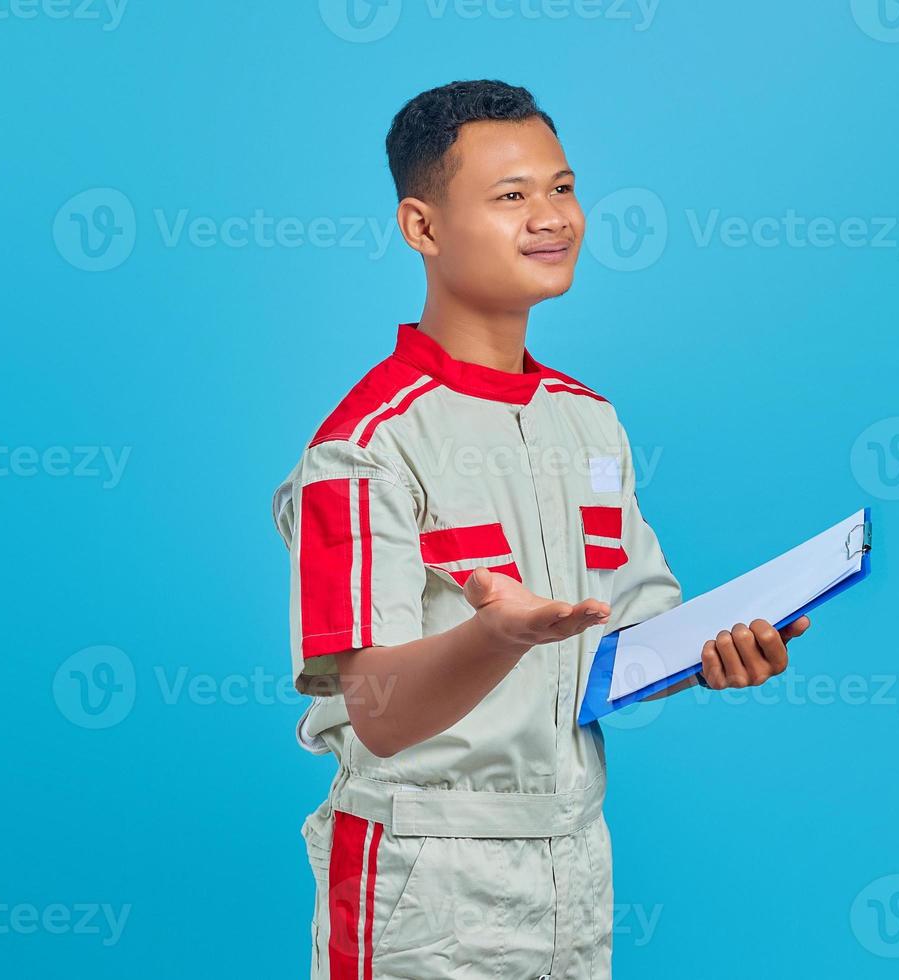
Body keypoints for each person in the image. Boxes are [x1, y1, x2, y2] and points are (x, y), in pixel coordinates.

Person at [271, 79, 812, 979]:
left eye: (560, 187)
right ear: (424, 227)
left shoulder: (588, 422)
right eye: (511, 196)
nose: (551, 217)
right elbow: (375, 716)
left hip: (574, 856)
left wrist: (715, 653)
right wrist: (492, 639)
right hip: (421, 876)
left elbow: (622, 650)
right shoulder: (362, 450)